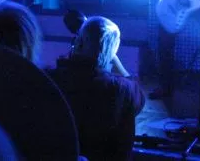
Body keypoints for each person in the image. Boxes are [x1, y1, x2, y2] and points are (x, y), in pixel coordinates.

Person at [47, 16, 145, 161]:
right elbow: (139, 99)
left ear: (78, 43)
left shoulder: (50, 78)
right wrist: (115, 61)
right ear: (112, 54)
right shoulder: (122, 88)